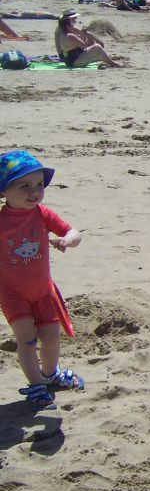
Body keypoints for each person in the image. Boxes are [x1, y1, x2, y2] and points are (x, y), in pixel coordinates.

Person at [0, 150, 84, 409]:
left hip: (43, 290)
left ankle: (50, 374)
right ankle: (36, 385)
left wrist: (66, 240)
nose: (34, 191)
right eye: (24, 186)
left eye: (39, 184)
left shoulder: (42, 214)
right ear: (3, 191)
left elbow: (74, 232)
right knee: (26, 340)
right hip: (12, 293)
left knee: (51, 337)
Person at [54, 10, 121, 67]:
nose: (74, 22)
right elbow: (84, 46)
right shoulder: (69, 35)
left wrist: (84, 34)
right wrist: (84, 34)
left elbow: (81, 41)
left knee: (94, 45)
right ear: (68, 24)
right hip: (74, 62)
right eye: (73, 21)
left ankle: (104, 58)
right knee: (97, 47)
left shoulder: (65, 32)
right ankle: (113, 63)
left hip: (70, 60)